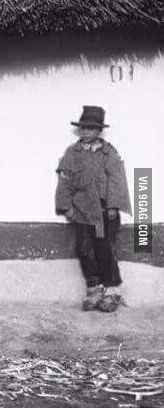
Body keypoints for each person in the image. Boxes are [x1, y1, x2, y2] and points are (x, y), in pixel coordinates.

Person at [55, 106, 131, 312]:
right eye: (83, 128)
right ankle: (94, 288)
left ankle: (110, 292)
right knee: (84, 249)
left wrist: (114, 205)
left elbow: (117, 180)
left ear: (99, 131)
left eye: (91, 129)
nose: (86, 132)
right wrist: (65, 206)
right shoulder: (73, 153)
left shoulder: (109, 152)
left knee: (104, 248)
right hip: (82, 211)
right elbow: (64, 181)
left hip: (105, 212)